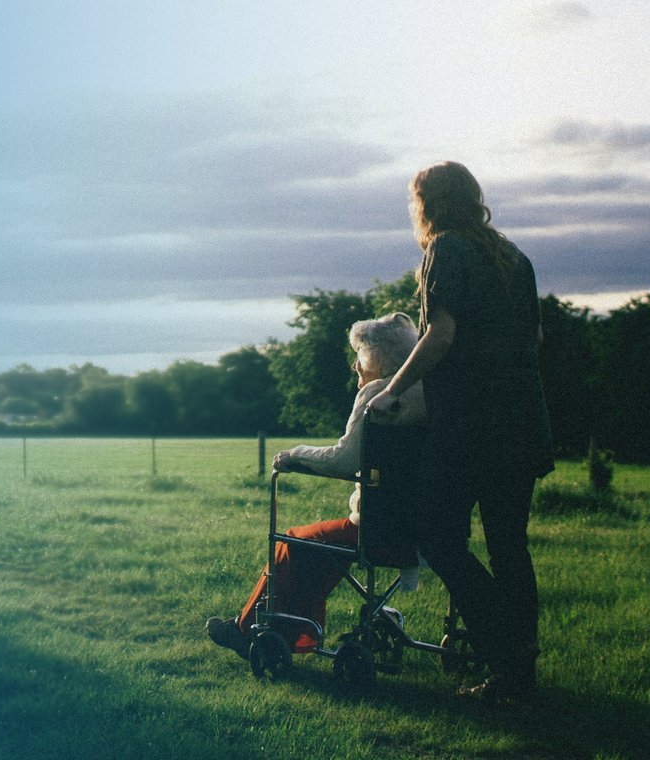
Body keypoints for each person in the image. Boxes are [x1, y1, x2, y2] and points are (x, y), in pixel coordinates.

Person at [367, 161, 554, 699]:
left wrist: (392, 389)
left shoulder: (445, 251)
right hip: (523, 419)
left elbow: (440, 335)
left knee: (438, 537)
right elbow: (534, 335)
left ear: (427, 204)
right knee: (509, 547)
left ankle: (506, 650)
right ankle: (519, 670)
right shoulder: (514, 257)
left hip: (474, 426)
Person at [206, 313, 426, 658]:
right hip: (424, 530)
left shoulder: (377, 395)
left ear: (380, 358)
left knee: (294, 541)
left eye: (361, 354)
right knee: (318, 546)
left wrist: (296, 454)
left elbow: (343, 461)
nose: (355, 364)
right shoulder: (426, 394)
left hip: (378, 530)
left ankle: (247, 630)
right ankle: (295, 636)